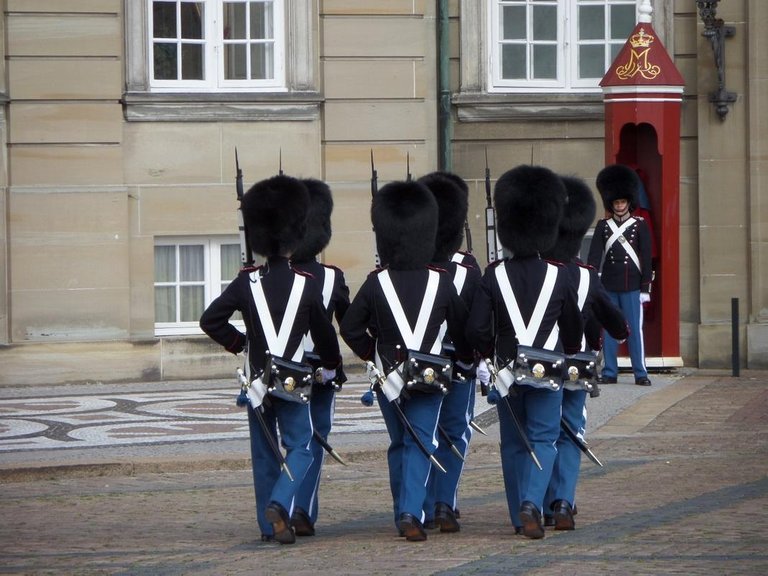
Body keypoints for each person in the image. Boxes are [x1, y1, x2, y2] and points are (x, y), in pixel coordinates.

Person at [199, 174, 342, 545]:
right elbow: (325, 334)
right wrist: (331, 365)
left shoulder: (246, 281)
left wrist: (241, 343)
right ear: (296, 236)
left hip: (258, 383)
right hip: (294, 381)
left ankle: (270, 527)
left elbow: (210, 320)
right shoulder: (305, 283)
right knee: (301, 447)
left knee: (264, 454)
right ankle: (282, 503)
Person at [340, 179, 475, 542]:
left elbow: (351, 328)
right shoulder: (441, 281)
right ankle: (410, 513)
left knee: (401, 442)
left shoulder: (375, 282)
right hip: (430, 379)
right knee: (420, 442)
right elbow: (463, 333)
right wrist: (464, 362)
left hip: (389, 380)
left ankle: (405, 506)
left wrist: (374, 354)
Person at [466, 164, 584, 539]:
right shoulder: (559, 273)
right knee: (545, 438)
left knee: (514, 443)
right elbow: (574, 330)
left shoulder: (493, 273)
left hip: (506, 370)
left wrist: (490, 356)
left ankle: (521, 514)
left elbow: (476, 328)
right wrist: (568, 350)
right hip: (548, 369)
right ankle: (535, 500)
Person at [541, 175, 629, 530]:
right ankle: (563, 500)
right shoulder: (586, 275)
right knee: (570, 433)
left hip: (541, 364)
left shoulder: (538, 270)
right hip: (576, 366)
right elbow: (616, 323)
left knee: (542, 432)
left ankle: (544, 501)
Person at [417, 171, 482, 533]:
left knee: (426, 434)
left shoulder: (406, 266)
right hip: (457, 364)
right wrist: (477, 360)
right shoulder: (468, 268)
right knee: (454, 433)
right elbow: (476, 322)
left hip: (420, 365)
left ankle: (426, 504)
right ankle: (444, 502)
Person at [289, 178, 350, 537]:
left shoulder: (261, 277)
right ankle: (302, 509)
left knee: (282, 441)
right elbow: (351, 322)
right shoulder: (331, 277)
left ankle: (280, 503)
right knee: (313, 439)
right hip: (319, 370)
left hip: (277, 371)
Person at [587, 164, 653, 386]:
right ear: (611, 204)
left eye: (623, 201)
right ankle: (609, 371)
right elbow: (595, 257)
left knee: (634, 330)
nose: (620, 205)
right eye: (616, 202)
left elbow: (646, 258)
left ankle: (640, 372)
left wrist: (645, 288)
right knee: (609, 330)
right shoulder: (603, 226)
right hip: (609, 285)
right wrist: (592, 283)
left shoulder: (639, 225)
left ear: (629, 202)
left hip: (632, 285)